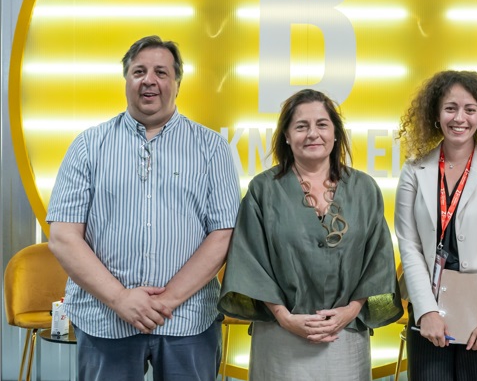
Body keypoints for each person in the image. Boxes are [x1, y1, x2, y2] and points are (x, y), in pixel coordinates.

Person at [46, 35, 241, 380]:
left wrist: (166, 302)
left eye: (161, 72)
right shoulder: (88, 146)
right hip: (105, 319)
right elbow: (63, 236)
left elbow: (223, 234)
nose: (149, 80)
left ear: (177, 83)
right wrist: (120, 298)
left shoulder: (212, 148)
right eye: (139, 71)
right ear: (126, 81)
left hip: (189, 320)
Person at [219, 89, 402, 381]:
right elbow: (249, 259)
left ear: (336, 134)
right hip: (281, 334)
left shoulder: (365, 189)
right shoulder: (263, 190)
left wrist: (350, 311)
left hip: (345, 333)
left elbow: (378, 259)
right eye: (301, 126)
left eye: (322, 124)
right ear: (287, 136)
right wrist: (284, 317)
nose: (312, 134)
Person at [395, 70, 477, 380]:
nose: (460, 118)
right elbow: (409, 247)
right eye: (450, 108)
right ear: (436, 115)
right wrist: (426, 311)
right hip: (430, 312)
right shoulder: (414, 170)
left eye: (470, 109)